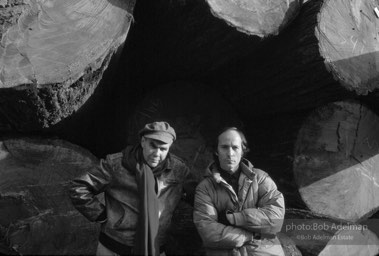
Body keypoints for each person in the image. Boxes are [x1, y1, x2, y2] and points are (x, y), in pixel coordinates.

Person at [69, 121, 195, 256]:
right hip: (113, 247)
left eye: (163, 149)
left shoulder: (178, 169)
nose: (157, 153)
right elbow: (79, 187)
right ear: (143, 141)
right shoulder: (116, 164)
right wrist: (100, 215)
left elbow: (199, 194)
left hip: (155, 247)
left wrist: (215, 173)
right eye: (153, 146)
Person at [193, 127, 285, 256]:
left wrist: (233, 218)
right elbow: (208, 232)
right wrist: (251, 235)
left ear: (243, 151)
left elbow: (276, 218)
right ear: (216, 151)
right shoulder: (205, 188)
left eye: (235, 147)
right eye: (224, 147)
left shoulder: (260, 178)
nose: (230, 153)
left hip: (263, 251)